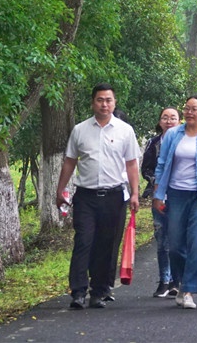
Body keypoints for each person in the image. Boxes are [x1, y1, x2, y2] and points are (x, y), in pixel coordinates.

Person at [56, 83, 140, 310]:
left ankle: (99, 291)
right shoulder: (80, 130)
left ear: (114, 103)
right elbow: (70, 161)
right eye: (100, 100)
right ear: (93, 103)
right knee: (83, 241)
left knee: (107, 244)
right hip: (86, 196)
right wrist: (60, 190)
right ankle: (78, 292)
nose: (104, 104)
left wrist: (135, 193)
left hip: (114, 196)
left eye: (108, 100)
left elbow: (131, 164)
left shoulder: (125, 131)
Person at [154, 95, 197, 310]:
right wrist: (158, 193)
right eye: (187, 108)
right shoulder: (172, 135)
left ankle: (188, 290)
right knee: (175, 246)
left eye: (195, 109)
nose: (190, 112)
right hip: (176, 194)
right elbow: (162, 164)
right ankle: (180, 281)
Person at [141, 107, 181, 298]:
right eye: (165, 118)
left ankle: (176, 280)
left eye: (173, 118)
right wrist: (157, 181)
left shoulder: (185, 142)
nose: (169, 121)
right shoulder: (153, 143)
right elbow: (146, 169)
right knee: (161, 239)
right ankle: (164, 280)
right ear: (159, 122)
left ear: (179, 121)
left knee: (177, 240)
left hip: (180, 196)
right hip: (159, 196)